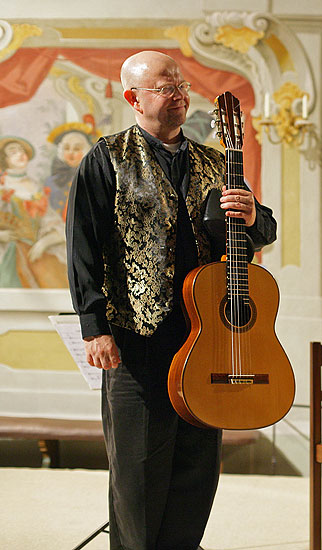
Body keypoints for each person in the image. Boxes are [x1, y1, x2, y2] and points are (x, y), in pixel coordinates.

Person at [66, 51, 277, 550]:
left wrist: (250, 216)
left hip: (207, 340)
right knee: (139, 473)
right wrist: (93, 325)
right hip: (137, 337)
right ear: (133, 98)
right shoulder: (107, 157)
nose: (179, 94)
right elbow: (83, 244)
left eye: (182, 85)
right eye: (165, 87)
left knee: (197, 469)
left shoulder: (214, 162)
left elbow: (262, 230)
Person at [0, 135, 68, 288]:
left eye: (22, 150)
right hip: (10, 252)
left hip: (36, 251)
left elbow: (52, 220)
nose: (20, 154)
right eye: (13, 152)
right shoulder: (2, 187)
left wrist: (44, 242)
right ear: (4, 159)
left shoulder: (36, 186)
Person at [45, 123, 97, 216]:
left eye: (76, 149)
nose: (71, 153)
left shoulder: (93, 179)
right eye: (66, 148)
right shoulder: (51, 182)